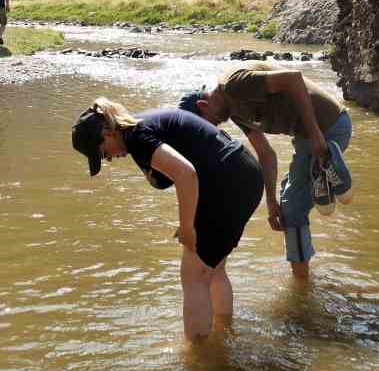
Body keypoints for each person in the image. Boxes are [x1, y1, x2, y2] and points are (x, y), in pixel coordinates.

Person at [72, 97, 263, 339]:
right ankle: (224, 334)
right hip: (244, 172)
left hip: (227, 181)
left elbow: (186, 174)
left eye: (102, 153)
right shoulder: (142, 126)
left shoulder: (138, 137)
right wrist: (190, 221)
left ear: (108, 132)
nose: (108, 159)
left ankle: (200, 360)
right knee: (212, 270)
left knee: (193, 276)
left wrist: (187, 228)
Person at [180, 64, 352, 279]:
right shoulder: (233, 112)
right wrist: (271, 201)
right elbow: (266, 153)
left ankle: (301, 286)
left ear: (203, 105)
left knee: (292, 210)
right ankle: (323, 171)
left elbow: (293, 78)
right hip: (305, 137)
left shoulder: (234, 84)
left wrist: (316, 134)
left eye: (207, 125)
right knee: (285, 194)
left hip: (327, 128)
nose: (213, 129)